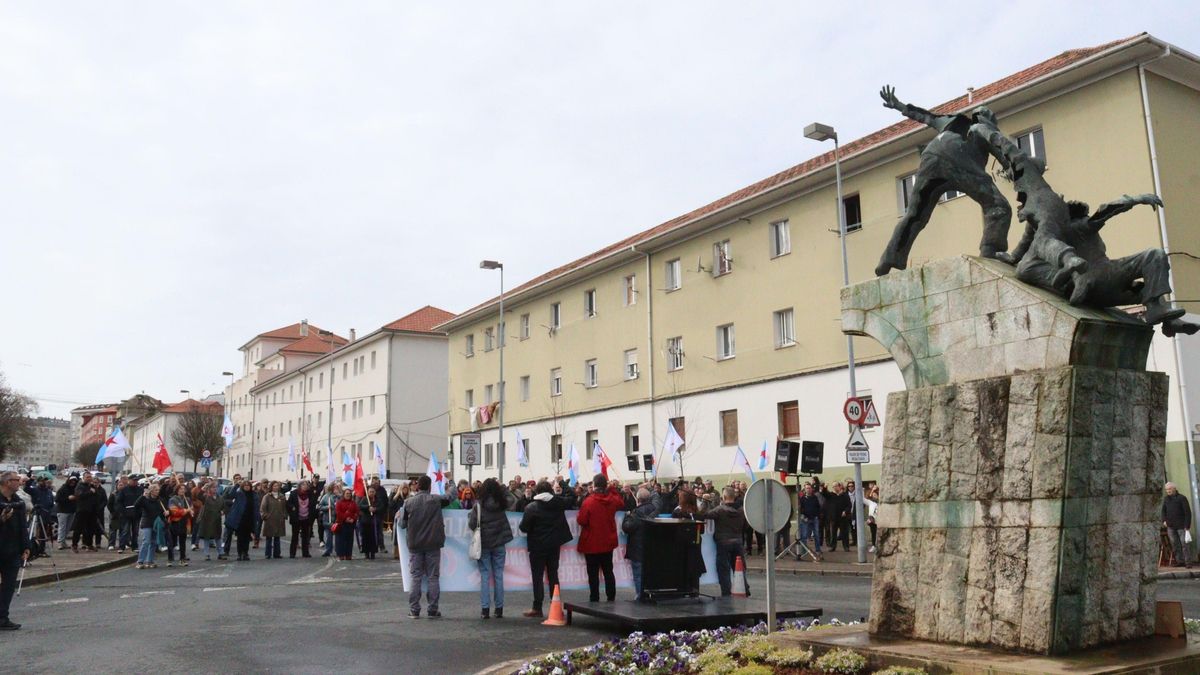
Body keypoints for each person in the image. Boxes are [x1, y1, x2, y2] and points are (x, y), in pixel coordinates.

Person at [875, 85, 1011, 276]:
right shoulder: (983, 128)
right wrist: (1012, 168)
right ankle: (990, 252)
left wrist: (899, 105)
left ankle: (888, 260)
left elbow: (926, 116)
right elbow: (1003, 152)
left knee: (915, 214)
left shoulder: (952, 119)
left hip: (932, 154)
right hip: (958, 154)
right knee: (998, 206)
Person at [519, 480, 574, 617]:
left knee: (537, 576)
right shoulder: (558, 503)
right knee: (553, 574)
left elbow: (523, 527)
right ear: (550, 490)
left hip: (537, 546)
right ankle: (555, 605)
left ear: (536, 491)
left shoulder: (531, 507)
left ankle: (537, 607)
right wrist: (563, 483)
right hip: (554, 545)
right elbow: (572, 497)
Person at [401, 475, 450, 618]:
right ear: (430, 487)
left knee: (415, 577)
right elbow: (451, 496)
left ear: (417, 486)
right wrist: (450, 481)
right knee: (433, 577)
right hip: (433, 544)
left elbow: (403, 525)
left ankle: (414, 610)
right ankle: (432, 609)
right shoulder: (436, 500)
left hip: (415, 545)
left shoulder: (408, 502)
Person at [468, 478, 514, 619]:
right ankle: (499, 609)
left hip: (484, 543)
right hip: (499, 542)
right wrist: (503, 488)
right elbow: (512, 499)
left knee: (485, 575)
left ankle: (485, 609)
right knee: (499, 575)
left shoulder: (479, 505)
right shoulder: (501, 503)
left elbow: (472, 524)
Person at [576, 475, 624, 603]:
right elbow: (621, 502)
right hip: (608, 541)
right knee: (608, 570)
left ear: (594, 485)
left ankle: (594, 597)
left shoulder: (588, 501)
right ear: (605, 485)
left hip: (591, 542)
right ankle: (611, 596)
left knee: (593, 573)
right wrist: (612, 489)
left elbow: (581, 520)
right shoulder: (612, 499)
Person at [0, 471, 31, 630]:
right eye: (16, 480)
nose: (19, 482)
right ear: (7, 482)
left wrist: (26, 546)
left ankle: (3, 617)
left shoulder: (18, 502)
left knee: (9, 585)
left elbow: (23, 527)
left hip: (12, 550)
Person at [621, 483, 662, 601]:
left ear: (638, 499)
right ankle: (651, 595)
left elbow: (627, 528)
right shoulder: (655, 509)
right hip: (652, 548)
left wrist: (626, 517)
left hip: (638, 549)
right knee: (651, 574)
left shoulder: (635, 513)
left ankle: (640, 596)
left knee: (638, 574)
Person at [133, 483, 166, 569]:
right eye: (156, 490)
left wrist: (166, 513)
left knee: (153, 542)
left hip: (156, 524)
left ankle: (150, 561)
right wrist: (142, 496)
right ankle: (140, 561)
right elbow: (136, 505)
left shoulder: (160, 501)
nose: (157, 492)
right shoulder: (145, 500)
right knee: (146, 542)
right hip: (147, 523)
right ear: (151, 491)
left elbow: (162, 512)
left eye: (158, 490)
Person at [226, 481, 258, 562]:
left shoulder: (253, 494)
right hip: (240, 519)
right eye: (245, 485)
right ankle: (239, 553)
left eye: (248, 485)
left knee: (247, 538)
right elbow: (231, 495)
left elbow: (256, 506)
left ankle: (245, 553)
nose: (247, 487)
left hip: (249, 518)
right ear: (243, 486)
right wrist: (236, 485)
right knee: (240, 538)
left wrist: (257, 517)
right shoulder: (239, 494)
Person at [1163, 482, 1193, 568]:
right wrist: (1164, 520)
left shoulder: (1182, 498)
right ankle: (1180, 561)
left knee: (1184, 544)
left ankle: (1188, 562)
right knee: (1174, 544)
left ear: (1174, 489)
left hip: (1181, 525)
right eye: (1166, 489)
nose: (1168, 491)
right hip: (1170, 526)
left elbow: (1188, 513)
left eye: (1169, 489)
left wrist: (1187, 526)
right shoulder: (1166, 499)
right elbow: (1163, 511)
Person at [287, 481, 316, 558]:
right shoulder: (294, 493)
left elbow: (313, 504)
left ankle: (305, 553)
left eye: (306, 485)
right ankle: (292, 553)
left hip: (306, 517)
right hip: (297, 518)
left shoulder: (310, 494)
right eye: (303, 485)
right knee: (295, 536)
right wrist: (292, 508)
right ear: (299, 486)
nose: (305, 486)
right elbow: (289, 504)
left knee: (305, 536)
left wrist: (312, 514)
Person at [195, 484, 224, 561]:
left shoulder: (220, 498)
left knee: (218, 537)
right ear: (209, 489)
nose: (214, 489)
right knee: (206, 537)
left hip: (217, 520)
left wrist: (223, 511)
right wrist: (203, 488)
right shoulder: (206, 497)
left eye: (215, 487)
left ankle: (220, 553)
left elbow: (223, 507)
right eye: (212, 487)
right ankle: (206, 554)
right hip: (207, 520)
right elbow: (199, 496)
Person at [165, 484, 192, 567]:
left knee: (182, 542)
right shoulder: (172, 499)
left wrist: (190, 511)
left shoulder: (187, 499)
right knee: (172, 542)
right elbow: (174, 511)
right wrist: (186, 510)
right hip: (174, 522)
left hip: (183, 522)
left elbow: (191, 509)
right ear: (177, 490)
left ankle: (182, 559)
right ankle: (170, 559)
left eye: (184, 489)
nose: (182, 490)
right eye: (180, 489)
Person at [797, 482, 824, 561]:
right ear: (804, 489)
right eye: (807, 488)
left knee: (816, 535)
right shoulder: (802, 499)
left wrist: (817, 516)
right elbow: (800, 509)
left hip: (814, 518)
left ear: (811, 489)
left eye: (809, 488)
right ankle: (804, 550)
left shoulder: (815, 497)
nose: (808, 489)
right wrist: (803, 516)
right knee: (804, 535)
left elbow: (818, 507)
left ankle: (818, 550)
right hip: (805, 519)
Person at [260, 482, 287, 560]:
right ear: (271, 487)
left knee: (277, 538)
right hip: (270, 520)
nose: (276, 487)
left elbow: (284, 507)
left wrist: (284, 515)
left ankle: (277, 554)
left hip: (279, 519)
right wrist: (265, 516)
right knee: (269, 538)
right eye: (274, 486)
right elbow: (262, 508)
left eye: (277, 486)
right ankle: (267, 554)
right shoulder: (267, 497)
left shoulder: (282, 497)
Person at [334, 488, 360, 561]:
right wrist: (346, 519)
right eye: (347, 493)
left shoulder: (353, 503)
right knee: (341, 540)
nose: (348, 495)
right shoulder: (339, 502)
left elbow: (357, 512)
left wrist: (353, 519)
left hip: (350, 524)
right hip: (342, 523)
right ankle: (341, 555)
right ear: (344, 494)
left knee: (349, 540)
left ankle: (348, 554)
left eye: (349, 493)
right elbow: (338, 512)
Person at [54, 474, 78, 550]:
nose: (73, 482)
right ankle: (60, 542)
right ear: (68, 481)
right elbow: (57, 499)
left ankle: (63, 541)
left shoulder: (75, 489)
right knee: (62, 527)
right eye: (71, 481)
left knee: (68, 528)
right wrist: (68, 498)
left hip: (72, 511)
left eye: (74, 481)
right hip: (62, 511)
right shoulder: (63, 489)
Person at [359, 487, 380, 560]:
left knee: (373, 538)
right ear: (368, 492)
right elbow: (360, 506)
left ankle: (373, 552)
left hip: (374, 522)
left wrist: (375, 509)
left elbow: (381, 507)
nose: (371, 493)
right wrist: (368, 507)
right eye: (370, 491)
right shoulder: (365, 499)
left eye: (373, 491)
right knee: (366, 538)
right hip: (366, 521)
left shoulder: (377, 499)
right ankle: (366, 553)